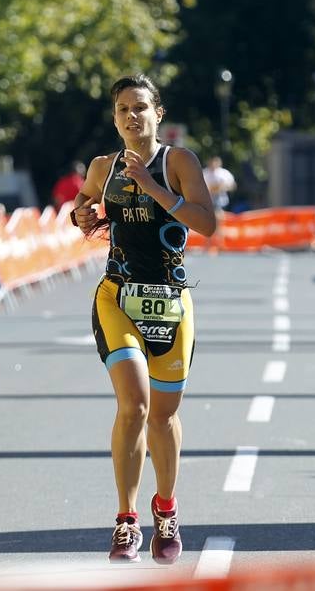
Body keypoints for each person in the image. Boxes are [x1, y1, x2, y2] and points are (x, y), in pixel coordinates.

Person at [70, 74, 215, 565]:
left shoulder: (179, 162)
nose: (132, 117)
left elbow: (207, 223)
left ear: (159, 114)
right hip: (117, 297)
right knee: (133, 405)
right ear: (115, 119)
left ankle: (167, 510)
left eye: (140, 107)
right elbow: (83, 201)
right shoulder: (102, 167)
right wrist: (83, 215)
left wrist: (153, 187)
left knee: (164, 415)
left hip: (171, 300)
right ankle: (127, 520)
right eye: (123, 110)